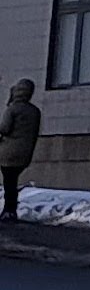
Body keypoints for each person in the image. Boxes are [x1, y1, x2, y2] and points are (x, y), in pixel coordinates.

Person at [0, 79, 39, 222]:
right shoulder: (34, 111)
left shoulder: (12, 109)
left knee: (8, 182)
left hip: (8, 151)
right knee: (13, 180)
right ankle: (11, 209)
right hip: (25, 152)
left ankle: (8, 210)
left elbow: (4, 128)